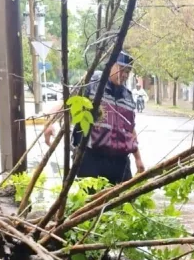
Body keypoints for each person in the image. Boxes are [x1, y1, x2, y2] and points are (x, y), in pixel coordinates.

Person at [42, 51, 145, 184]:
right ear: (111, 65)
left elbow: (130, 129)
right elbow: (68, 102)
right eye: (121, 69)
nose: (124, 74)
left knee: (125, 200)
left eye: (128, 71)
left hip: (120, 162)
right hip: (91, 159)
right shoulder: (92, 84)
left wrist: (138, 159)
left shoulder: (128, 97)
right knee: (90, 202)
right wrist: (49, 122)